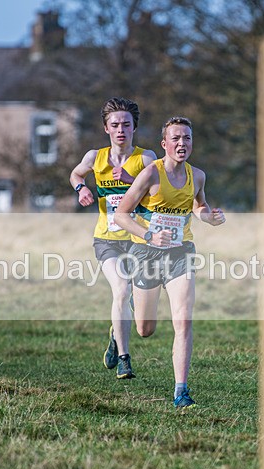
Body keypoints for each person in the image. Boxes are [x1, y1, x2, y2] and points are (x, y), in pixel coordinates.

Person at [114, 116, 225, 409]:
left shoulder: (197, 176)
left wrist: (210, 217)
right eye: (175, 138)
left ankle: (181, 391)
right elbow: (121, 215)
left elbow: (198, 206)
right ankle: (121, 324)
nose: (181, 143)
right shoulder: (151, 174)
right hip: (147, 254)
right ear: (164, 144)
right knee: (144, 330)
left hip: (181, 253)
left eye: (186, 138)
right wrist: (149, 234)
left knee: (183, 320)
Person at [69, 97, 156, 379]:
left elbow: (159, 193)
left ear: (134, 128)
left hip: (140, 239)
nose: (121, 130)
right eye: (115, 124)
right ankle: (124, 359)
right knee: (121, 291)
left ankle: (115, 334)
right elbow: (75, 173)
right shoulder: (95, 157)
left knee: (134, 302)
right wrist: (81, 188)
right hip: (107, 239)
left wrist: (133, 181)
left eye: (126, 125)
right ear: (106, 128)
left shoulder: (146, 159)